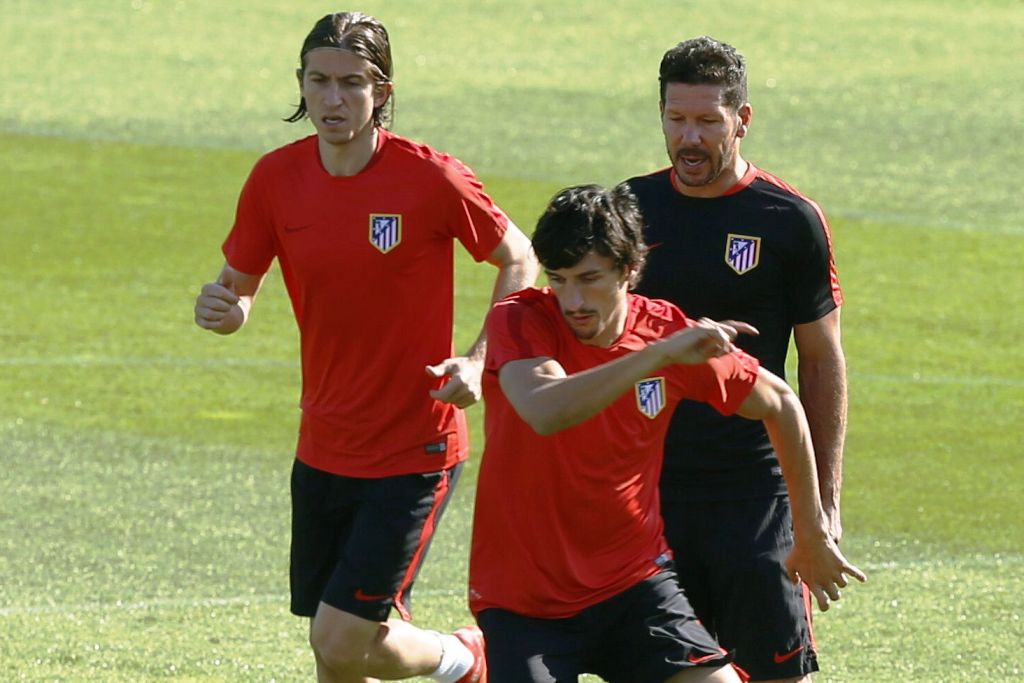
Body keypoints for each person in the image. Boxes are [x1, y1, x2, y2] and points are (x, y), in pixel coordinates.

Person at [193, 11, 539, 683]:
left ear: (381, 90)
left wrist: (478, 358)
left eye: (351, 83)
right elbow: (239, 288)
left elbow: (519, 258)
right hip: (323, 443)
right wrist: (225, 308)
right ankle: (462, 661)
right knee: (337, 645)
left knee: (340, 633)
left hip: (415, 446)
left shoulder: (430, 178)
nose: (332, 99)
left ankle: (467, 660)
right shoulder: (275, 179)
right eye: (318, 81)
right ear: (300, 83)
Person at [467, 184, 864, 683]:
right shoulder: (521, 320)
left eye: (589, 279)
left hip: (632, 588)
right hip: (525, 604)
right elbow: (546, 410)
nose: (572, 300)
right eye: (559, 279)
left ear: (628, 271)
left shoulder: (663, 332)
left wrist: (809, 531)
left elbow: (781, 402)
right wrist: (657, 357)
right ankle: (470, 661)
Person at [623, 36, 849, 682]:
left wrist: (822, 507)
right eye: (676, 119)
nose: (688, 137)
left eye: (707, 121)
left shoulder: (787, 221)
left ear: (742, 120)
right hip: (651, 492)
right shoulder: (628, 213)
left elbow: (821, 362)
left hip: (759, 496)